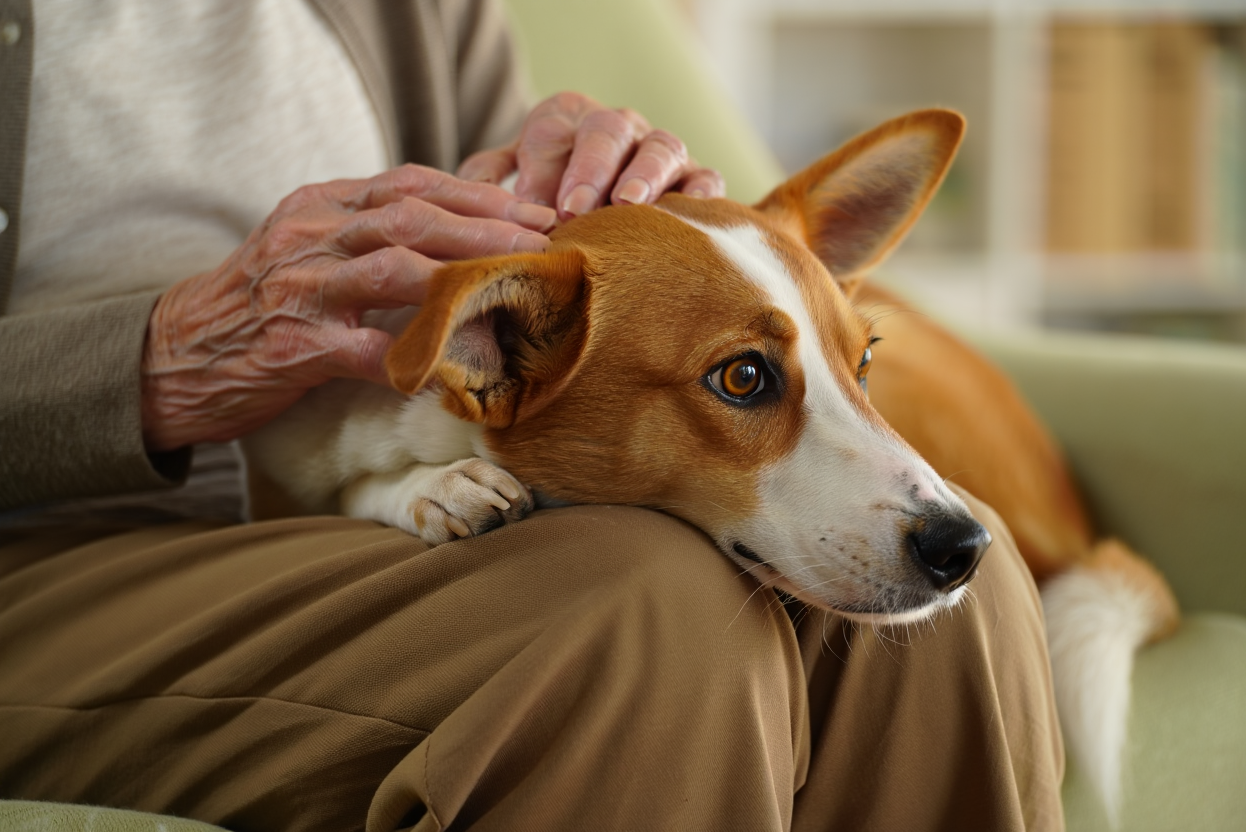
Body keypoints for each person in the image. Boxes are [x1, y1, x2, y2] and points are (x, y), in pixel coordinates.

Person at [0, 1, 1065, 830]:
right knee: (647, 617)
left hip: (374, 499)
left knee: (945, 603)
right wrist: (153, 363)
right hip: (49, 547)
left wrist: (575, 171)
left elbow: (526, 254)